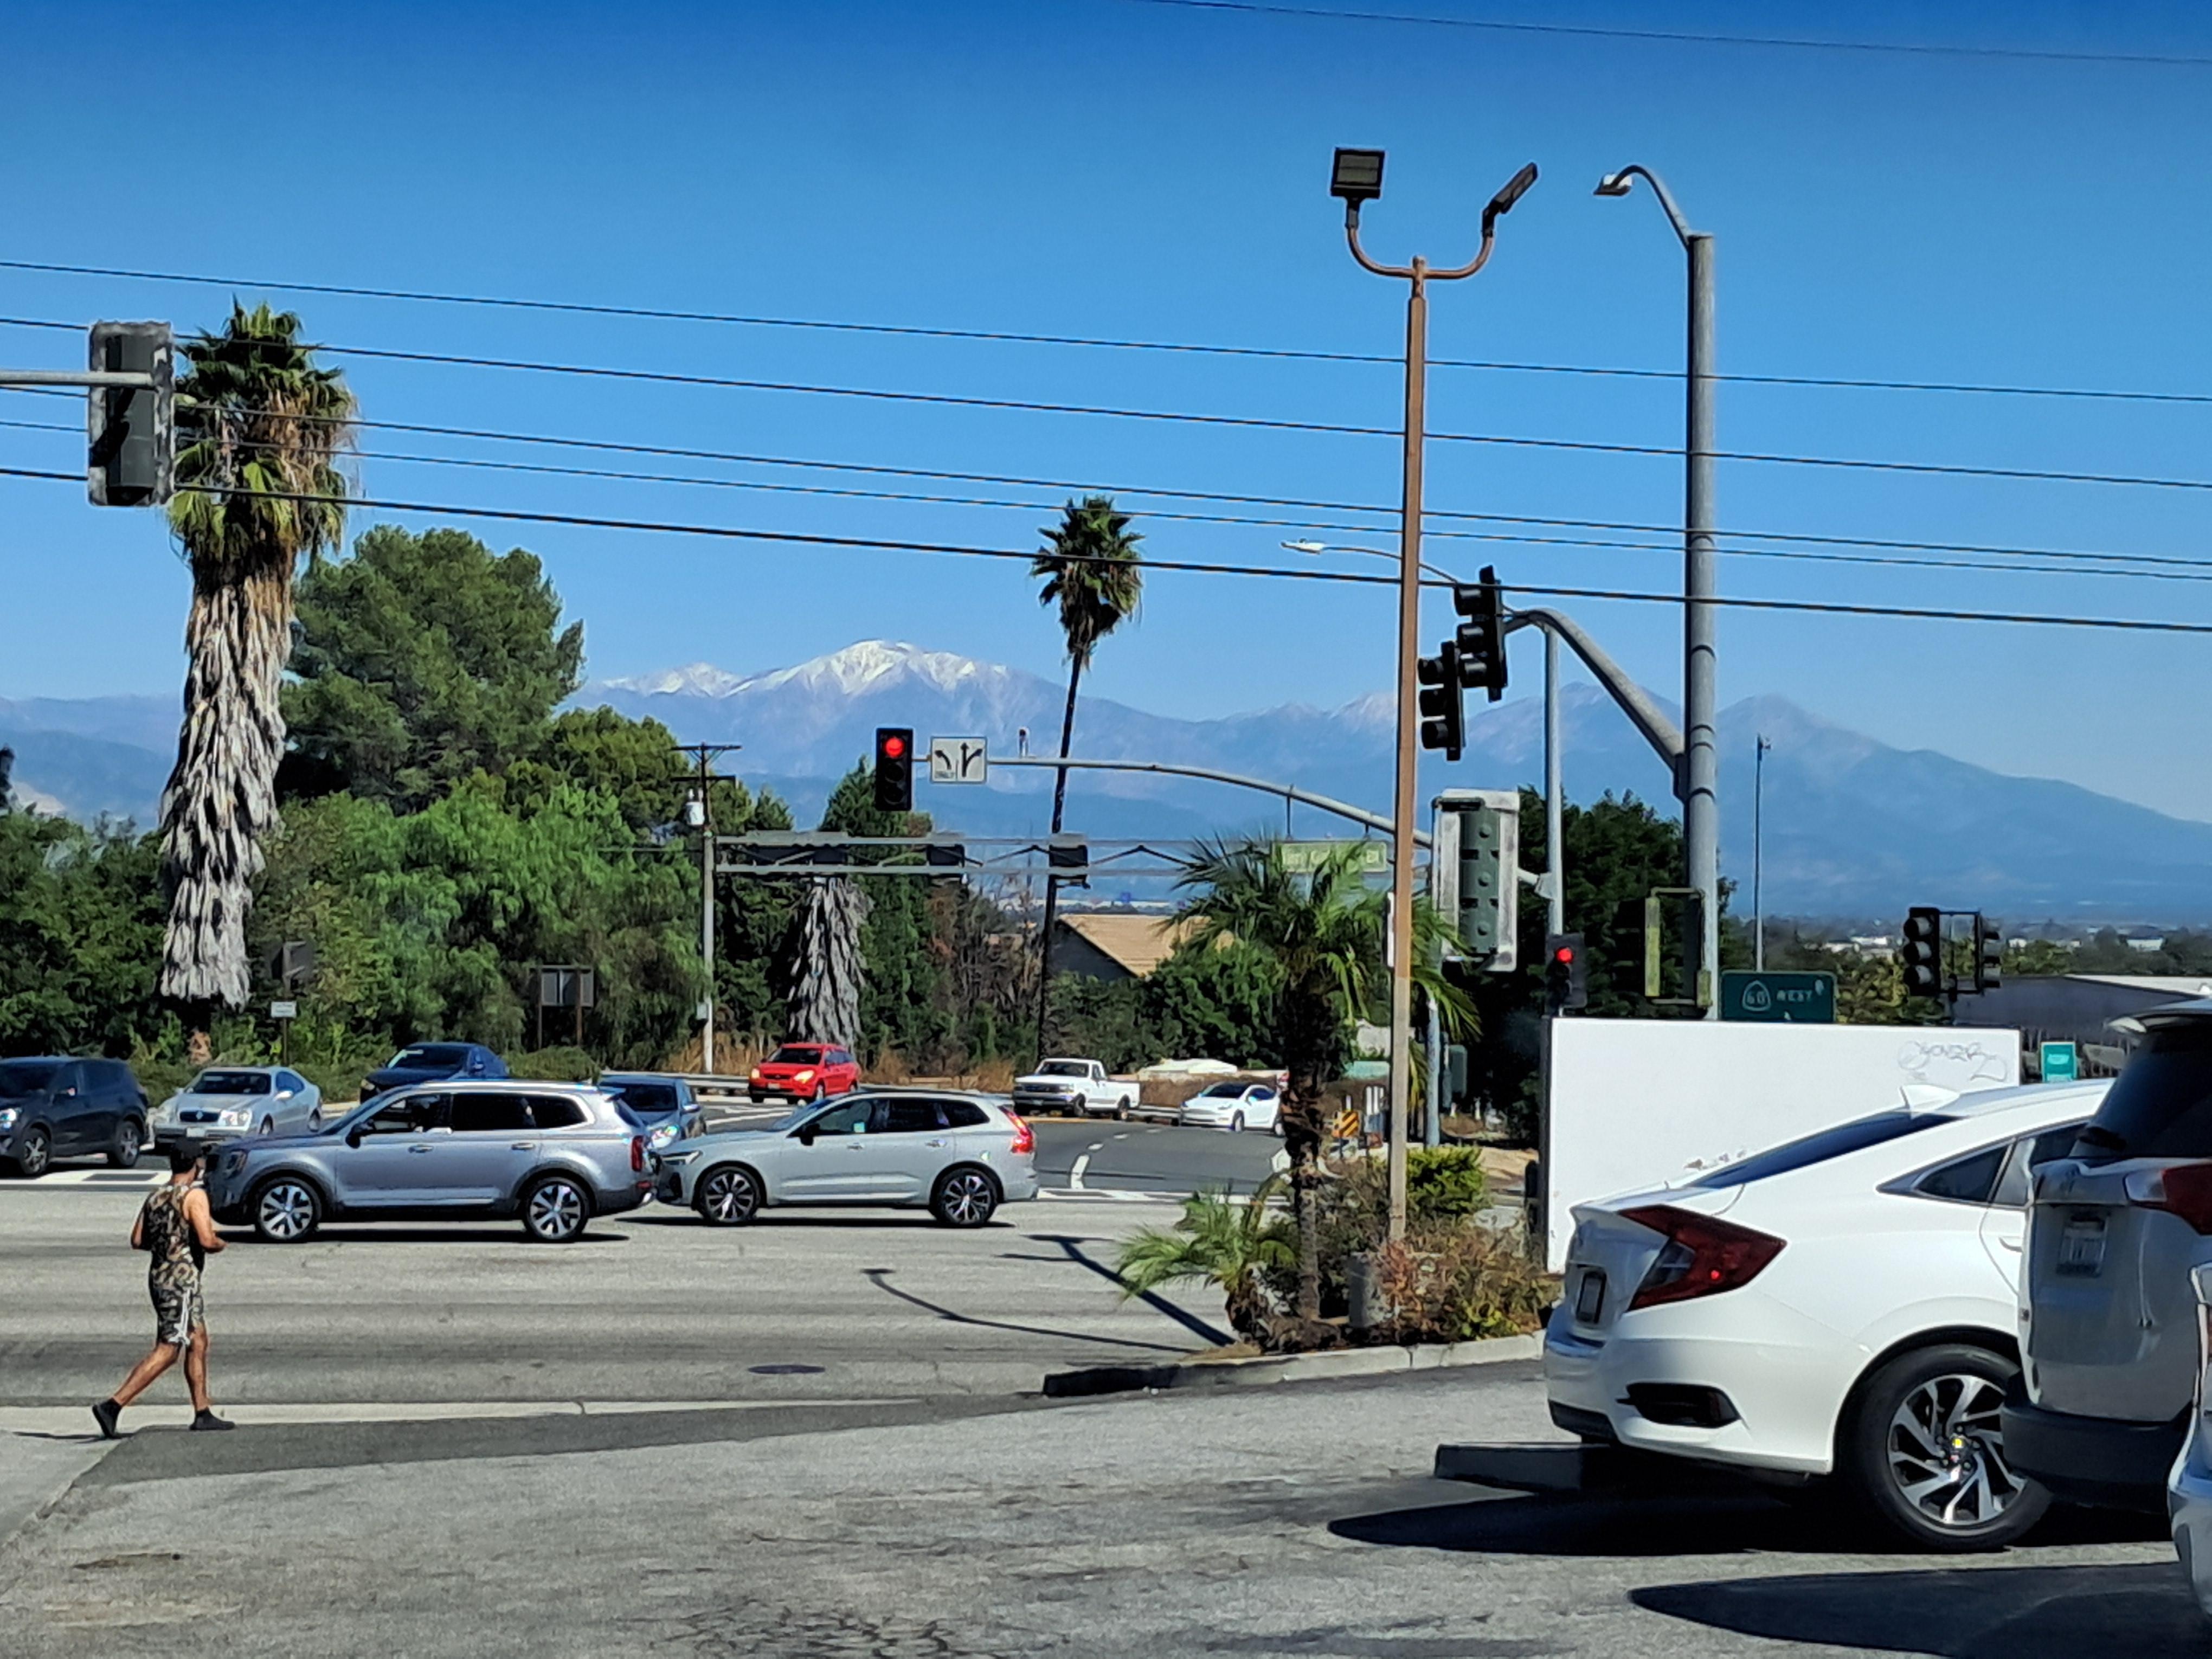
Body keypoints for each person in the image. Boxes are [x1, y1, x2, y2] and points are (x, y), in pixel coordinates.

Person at [92, 1143, 232, 1436]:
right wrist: (220, 1243)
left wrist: (167, 1244)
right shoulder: (194, 1196)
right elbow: (207, 1240)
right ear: (196, 1164)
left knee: (198, 1340)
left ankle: (202, 1411)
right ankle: (113, 1405)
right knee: (170, 1348)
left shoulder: (155, 1197)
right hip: (181, 1282)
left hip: (159, 1276)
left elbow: (137, 1239)